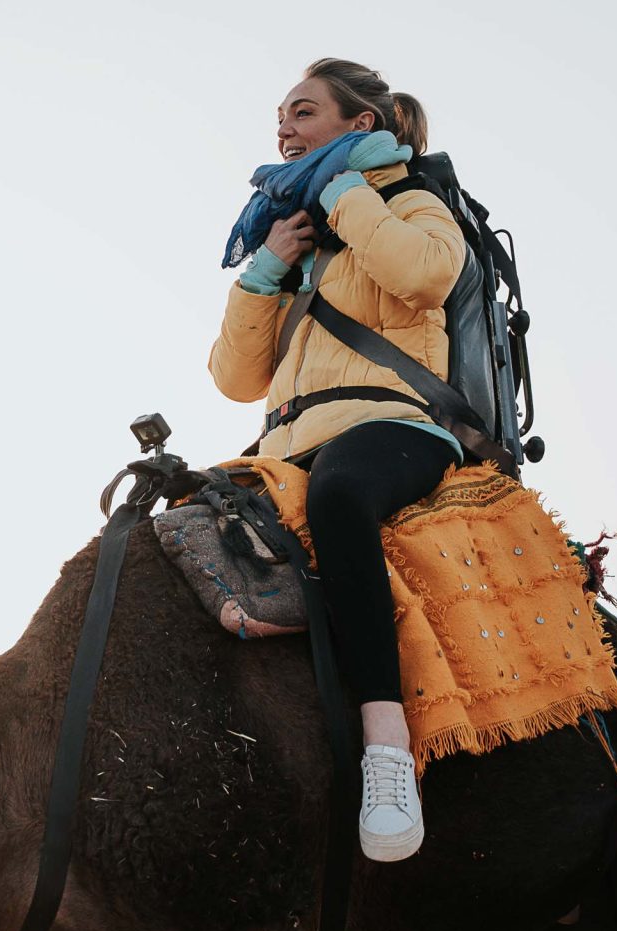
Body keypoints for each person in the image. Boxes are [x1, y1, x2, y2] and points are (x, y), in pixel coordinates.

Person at [209, 59, 468, 863]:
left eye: (304, 111)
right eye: (280, 115)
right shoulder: (295, 236)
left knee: (342, 497)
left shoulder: (406, 201)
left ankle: (387, 750)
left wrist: (342, 195)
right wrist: (269, 267)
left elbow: (425, 276)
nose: (283, 127)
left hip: (391, 424)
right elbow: (235, 379)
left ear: (361, 126)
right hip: (285, 442)